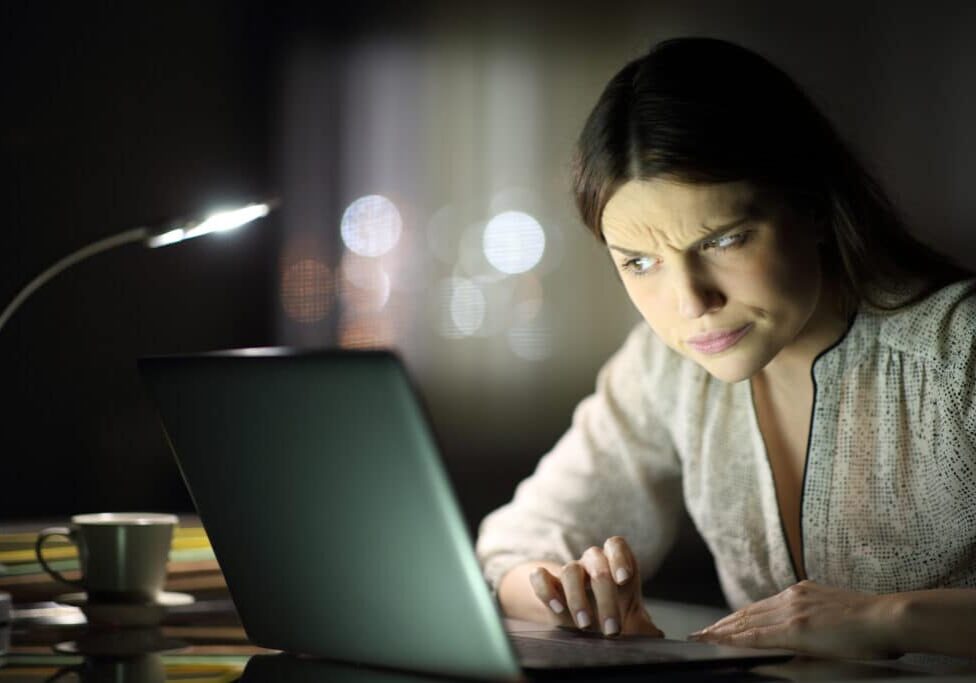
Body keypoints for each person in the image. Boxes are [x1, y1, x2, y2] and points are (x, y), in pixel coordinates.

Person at [475, 37, 976, 660]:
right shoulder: (665, 366)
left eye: (723, 240)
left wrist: (891, 618)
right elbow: (512, 548)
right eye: (640, 262)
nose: (689, 301)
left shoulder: (959, 354)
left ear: (813, 206)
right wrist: (569, 595)